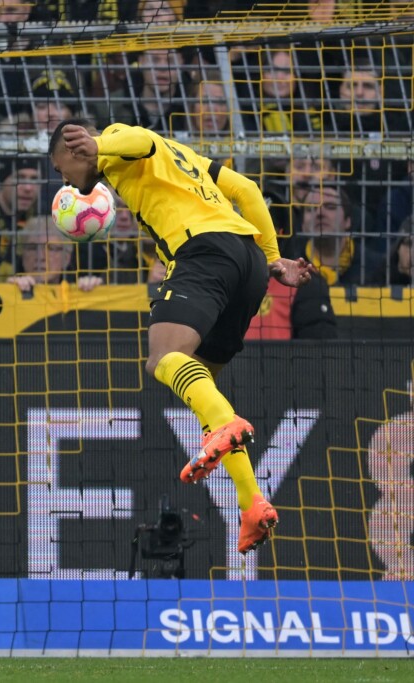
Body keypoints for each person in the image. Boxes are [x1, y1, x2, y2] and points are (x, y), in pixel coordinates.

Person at [51, 119, 317, 554]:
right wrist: (273, 259)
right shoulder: (184, 158)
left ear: (74, 149)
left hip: (203, 253)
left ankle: (229, 429)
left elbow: (138, 139)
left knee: (162, 359)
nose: (64, 180)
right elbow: (248, 190)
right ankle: (252, 504)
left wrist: (98, 142)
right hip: (248, 262)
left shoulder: (118, 143)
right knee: (201, 388)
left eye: (61, 169)